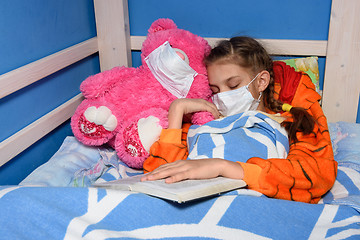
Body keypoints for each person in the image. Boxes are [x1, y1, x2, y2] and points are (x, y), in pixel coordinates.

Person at [141, 36, 337, 204]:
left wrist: (223, 167)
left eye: (233, 85)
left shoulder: (288, 121)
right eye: (215, 90)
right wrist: (177, 110)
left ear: (261, 81)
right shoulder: (204, 120)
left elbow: (314, 175)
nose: (223, 97)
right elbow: (158, 174)